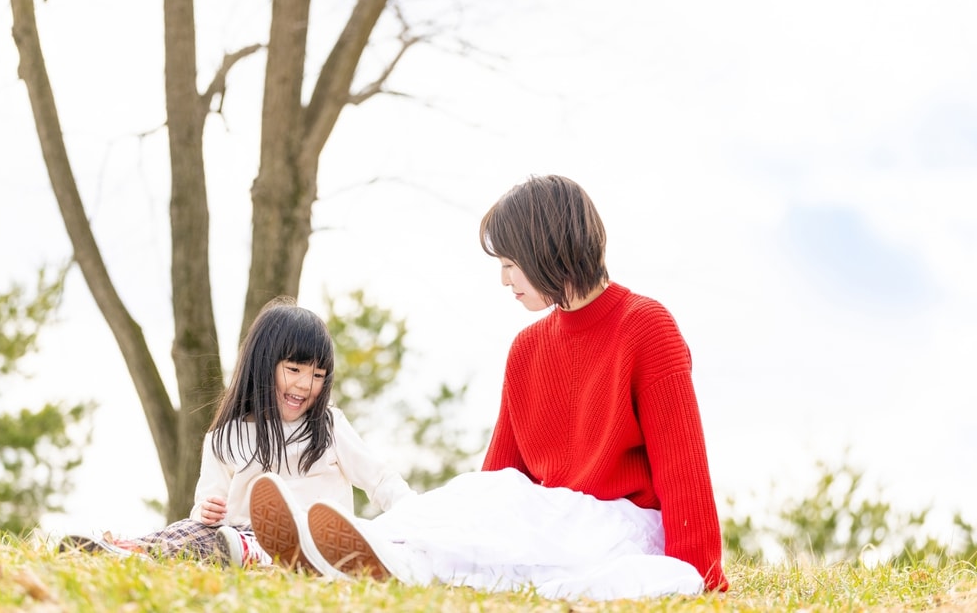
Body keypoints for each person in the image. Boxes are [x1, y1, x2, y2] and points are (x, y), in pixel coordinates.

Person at [251, 174, 729, 599]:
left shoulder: (645, 327)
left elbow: (682, 465)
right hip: (554, 522)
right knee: (479, 499)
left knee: (500, 506)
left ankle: (373, 549)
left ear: (547, 250)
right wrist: (470, 516)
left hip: (622, 524)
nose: (504, 280)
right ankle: (366, 550)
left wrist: (699, 571)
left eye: (509, 263)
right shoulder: (527, 347)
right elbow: (498, 481)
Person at [58, 297, 414, 570]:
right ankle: (123, 550)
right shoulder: (223, 439)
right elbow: (205, 506)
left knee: (244, 542)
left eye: (318, 375)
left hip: (319, 542)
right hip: (237, 537)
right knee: (191, 532)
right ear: (263, 364)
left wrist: (414, 515)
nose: (306, 385)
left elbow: (380, 480)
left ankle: (255, 553)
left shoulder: (328, 427)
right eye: (294, 369)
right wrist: (206, 512)